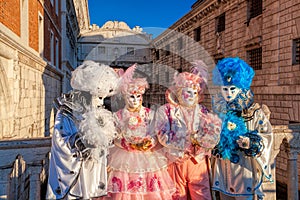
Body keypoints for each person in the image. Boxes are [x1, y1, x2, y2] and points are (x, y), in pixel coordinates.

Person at [46, 61, 119, 199]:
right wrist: (83, 142)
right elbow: (61, 142)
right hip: (76, 177)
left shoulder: (99, 113)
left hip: (92, 174)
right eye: (99, 97)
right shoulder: (66, 113)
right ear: (87, 94)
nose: (101, 103)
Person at [104, 64, 176, 199]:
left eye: (138, 96)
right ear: (125, 97)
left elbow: (156, 133)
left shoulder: (150, 114)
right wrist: (126, 143)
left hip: (147, 156)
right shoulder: (118, 116)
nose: (136, 100)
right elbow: (115, 136)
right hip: (124, 158)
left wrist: (150, 142)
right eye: (132, 97)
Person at [153, 60, 222, 200]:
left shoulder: (203, 112)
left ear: (198, 95)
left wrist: (203, 141)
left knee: (202, 195)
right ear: (178, 92)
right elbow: (163, 136)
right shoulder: (166, 111)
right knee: (177, 195)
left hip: (198, 163)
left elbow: (213, 134)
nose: (190, 96)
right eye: (186, 92)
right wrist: (188, 139)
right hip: (175, 161)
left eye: (194, 92)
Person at [210, 57, 273, 200]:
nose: (229, 93)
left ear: (241, 88)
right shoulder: (218, 112)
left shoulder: (254, 112)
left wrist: (251, 142)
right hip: (224, 170)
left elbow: (266, 135)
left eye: (233, 89)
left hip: (244, 171)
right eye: (225, 89)